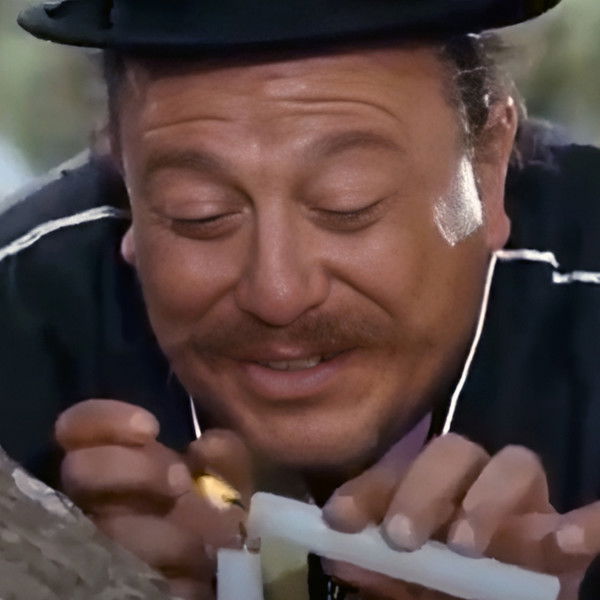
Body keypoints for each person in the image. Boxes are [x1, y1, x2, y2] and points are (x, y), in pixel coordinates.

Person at [3, 0, 600, 598]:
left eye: (348, 204)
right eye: (199, 213)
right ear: (123, 180)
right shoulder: (20, 322)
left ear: (487, 167)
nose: (278, 295)